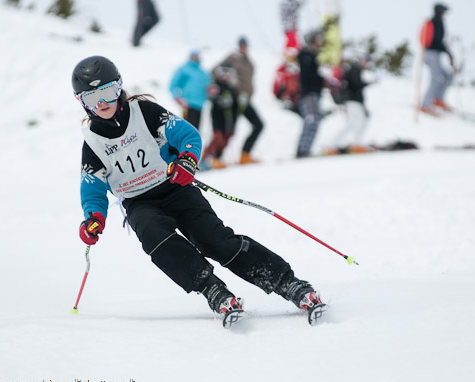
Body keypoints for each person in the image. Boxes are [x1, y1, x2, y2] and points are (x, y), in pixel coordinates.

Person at [72, 55, 325, 326]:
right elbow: (93, 187)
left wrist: (187, 161)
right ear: (82, 103)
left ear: (120, 87)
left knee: (214, 240)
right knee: (156, 239)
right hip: (139, 203)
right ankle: (211, 289)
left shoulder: (145, 112)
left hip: (175, 186)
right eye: (91, 99)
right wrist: (94, 217)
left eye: (108, 93)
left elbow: (187, 135)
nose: (102, 104)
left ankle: (288, 283)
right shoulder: (93, 143)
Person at [215, 37, 264, 165]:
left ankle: (245, 154)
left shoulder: (249, 61)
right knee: (228, 130)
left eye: (245, 45)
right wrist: (227, 86)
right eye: (241, 45)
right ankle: (216, 158)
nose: (243, 47)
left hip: (245, 99)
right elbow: (216, 71)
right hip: (234, 99)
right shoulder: (232, 57)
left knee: (258, 124)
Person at [328, 55, 371, 154]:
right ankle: (354, 144)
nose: (366, 63)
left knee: (354, 123)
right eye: (365, 61)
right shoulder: (355, 69)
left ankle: (334, 144)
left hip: (352, 101)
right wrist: (368, 83)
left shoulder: (353, 70)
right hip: (353, 101)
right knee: (360, 121)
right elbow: (356, 85)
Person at [200, 66, 240, 169]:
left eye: (227, 75)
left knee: (227, 137)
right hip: (218, 116)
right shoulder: (216, 86)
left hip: (229, 117)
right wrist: (219, 99)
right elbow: (211, 97)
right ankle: (205, 159)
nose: (225, 77)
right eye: (223, 75)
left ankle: (217, 157)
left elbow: (236, 102)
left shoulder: (231, 88)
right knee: (218, 136)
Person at [420, 3, 455, 116]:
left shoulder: (437, 22)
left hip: (434, 54)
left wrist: (447, 51)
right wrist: (447, 51)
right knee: (436, 78)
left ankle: (438, 99)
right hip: (431, 53)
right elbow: (436, 41)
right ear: (440, 11)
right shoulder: (436, 22)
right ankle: (425, 104)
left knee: (446, 75)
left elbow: (438, 41)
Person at [296, 30, 325, 158]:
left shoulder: (312, 55)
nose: (320, 41)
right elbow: (309, 76)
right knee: (311, 120)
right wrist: (322, 78)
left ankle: (305, 149)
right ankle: (303, 150)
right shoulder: (306, 55)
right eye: (318, 38)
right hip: (309, 94)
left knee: (314, 120)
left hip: (313, 93)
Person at [169, 50, 211, 130]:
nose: (195, 57)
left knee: (196, 130)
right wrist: (177, 97)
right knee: (186, 130)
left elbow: (208, 88)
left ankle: (193, 143)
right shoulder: (184, 70)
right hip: (188, 104)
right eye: (193, 55)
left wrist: (210, 93)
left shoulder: (203, 73)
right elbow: (173, 84)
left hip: (199, 105)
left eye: (196, 55)